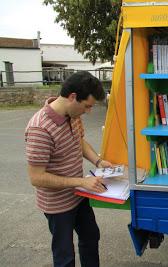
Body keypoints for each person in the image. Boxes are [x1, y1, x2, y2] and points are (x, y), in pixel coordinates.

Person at [25, 71, 112, 267]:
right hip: (57, 204)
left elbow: (79, 142)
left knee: (91, 237)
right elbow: (36, 178)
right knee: (65, 255)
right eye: (87, 106)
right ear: (73, 97)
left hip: (78, 194)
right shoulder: (40, 128)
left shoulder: (72, 114)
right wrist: (82, 182)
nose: (88, 111)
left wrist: (98, 162)